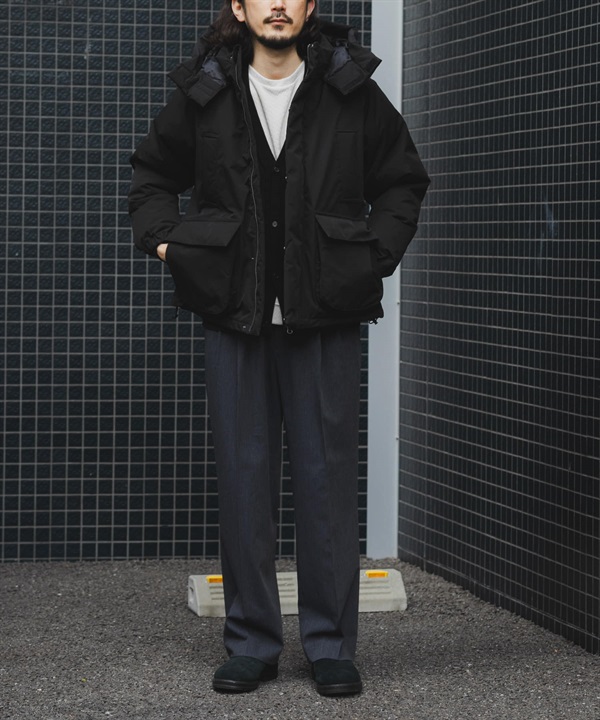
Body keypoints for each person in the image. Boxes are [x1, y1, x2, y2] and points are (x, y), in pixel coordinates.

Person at [128, 0, 429, 697]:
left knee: (327, 481)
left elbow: (402, 181)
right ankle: (252, 643)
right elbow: (151, 177)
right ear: (240, 7)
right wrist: (170, 246)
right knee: (244, 480)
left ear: (309, 6)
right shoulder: (205, 89)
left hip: (323, 313)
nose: (277, 5)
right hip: (234, 314)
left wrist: (372, 257)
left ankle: (330, 646)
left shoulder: (349, 87)